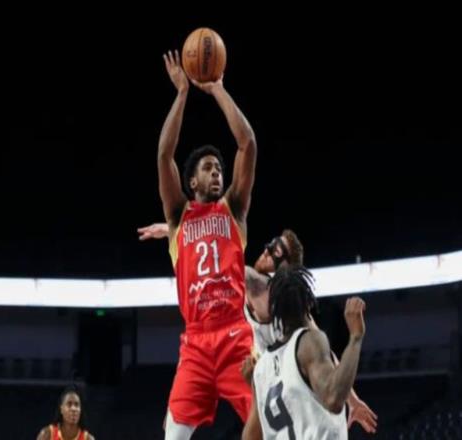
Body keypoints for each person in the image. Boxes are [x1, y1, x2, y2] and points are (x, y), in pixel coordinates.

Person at [138, 224, 378, 434]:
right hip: (268, 376)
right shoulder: (292, 306)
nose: (266, 250)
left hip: (275, 378)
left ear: (284, 266)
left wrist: (175, 230)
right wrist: (354, 401)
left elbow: (216, 248)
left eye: (274, 251)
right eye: (269, 245)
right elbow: (326, 354)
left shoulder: (256, 282)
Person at [157, 49, 257, 439]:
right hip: (196, 343)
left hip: (236, 336)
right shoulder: (178, 217)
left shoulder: (234, 209)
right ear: (192, 182)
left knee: (270, 421)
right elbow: (164, 154)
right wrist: (182, 93)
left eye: (219, 169)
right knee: (173, 435)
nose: (217, 173)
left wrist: (217, 89)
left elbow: (247, 143)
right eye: (208, 168)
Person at [242, 265, 367, 440]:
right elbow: (333, 399)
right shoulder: (309, 342)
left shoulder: (261, 368)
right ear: (308, 303)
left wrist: (256, 392)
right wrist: (355, 338)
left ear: (273, 308)